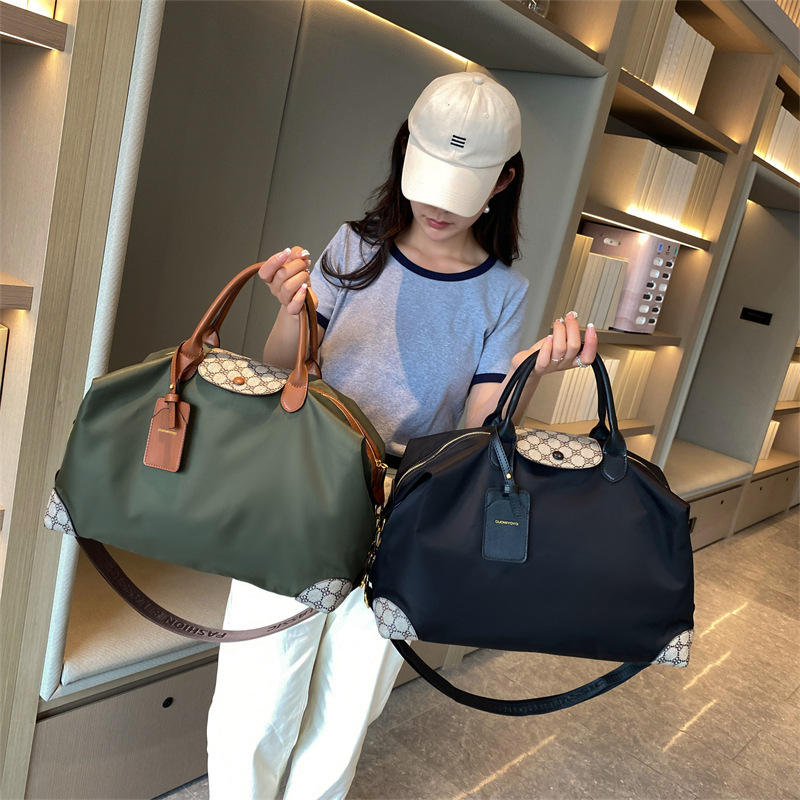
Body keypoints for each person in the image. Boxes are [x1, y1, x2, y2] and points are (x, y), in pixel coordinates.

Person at [206, 71, 598, 800]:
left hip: (408, 509)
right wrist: (291, 308)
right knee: (257, 696)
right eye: (428, 181)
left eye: (461, 188)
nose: (437, 208)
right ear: (405, 154)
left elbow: (477, 428)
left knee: (349, 706)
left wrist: (531, 370)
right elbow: (282, 367)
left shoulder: (501, 292)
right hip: (302, 486)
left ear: (503, 180)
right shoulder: (353, 248)